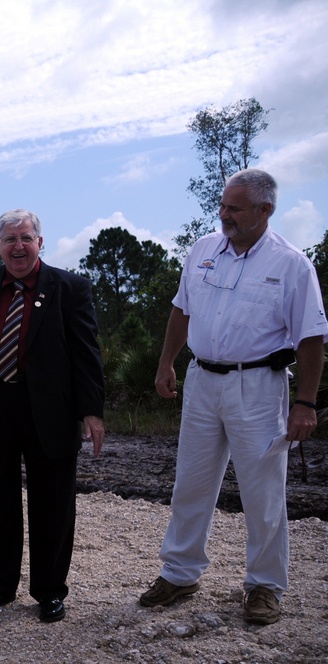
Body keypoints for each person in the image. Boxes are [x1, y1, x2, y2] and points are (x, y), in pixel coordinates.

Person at [139, 169, 327, 625]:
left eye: (235, 208)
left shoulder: (291, 264)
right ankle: (180, 572)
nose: (224, 214)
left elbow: (311, 337)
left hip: (259, 387)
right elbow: (181, 309)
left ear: (265, 211)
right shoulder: (204, 250)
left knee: (263, 491)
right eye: (223, 206)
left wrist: (305, 402)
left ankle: (264, 586)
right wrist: (167, 362)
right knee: (192, 482)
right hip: (202, 381)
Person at [0, 208, 105, 623]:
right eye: (9, 239)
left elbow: (87, 354)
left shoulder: (70, 288)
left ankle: (49, 591)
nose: (18, 245)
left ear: (40, 241)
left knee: (53, 503)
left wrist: (91, 411)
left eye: (25, 238)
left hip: (51, 412)